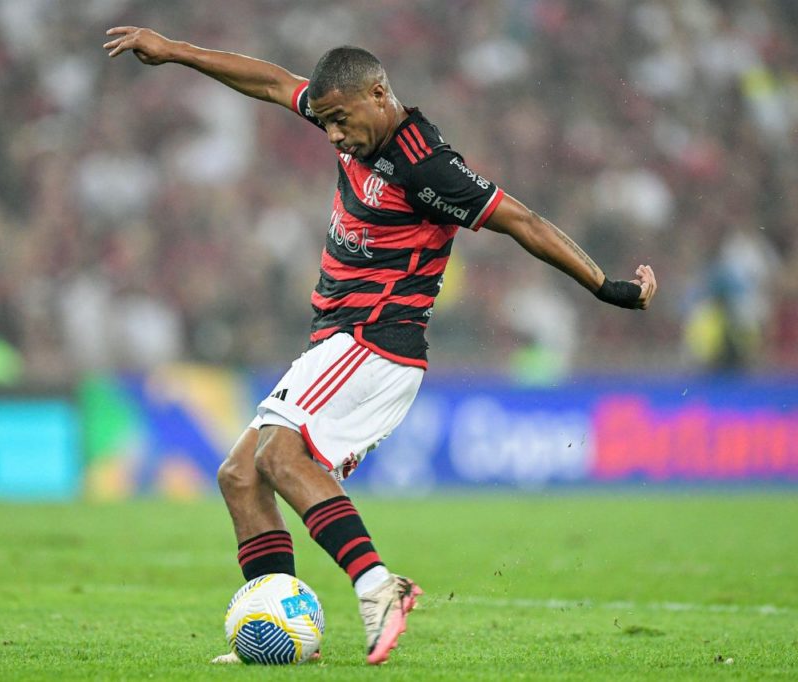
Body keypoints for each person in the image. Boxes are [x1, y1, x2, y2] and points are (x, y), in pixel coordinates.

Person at [103, 26, 658, 665]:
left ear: (378, 93)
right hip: (337, 342)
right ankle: (274, 634)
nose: (333, 135)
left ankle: (378, 587)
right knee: (239, 475)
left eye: (341, 121)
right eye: (327, 122)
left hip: (376, 343)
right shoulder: (345, 111)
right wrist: (176, 51)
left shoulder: (428, 166)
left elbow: (523, 222)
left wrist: (606, 287)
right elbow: (271, 82)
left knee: (281, 457)